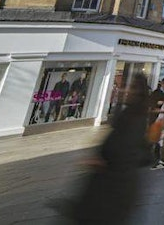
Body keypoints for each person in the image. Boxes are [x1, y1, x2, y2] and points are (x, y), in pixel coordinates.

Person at [62, 73, 150, 223]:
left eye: (127, 87)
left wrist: (103, 160)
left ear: (137, 91)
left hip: (114, 186)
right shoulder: (131, 113)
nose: (122, 90)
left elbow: (127, 149)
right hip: (113, 184)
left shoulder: (134, 116)